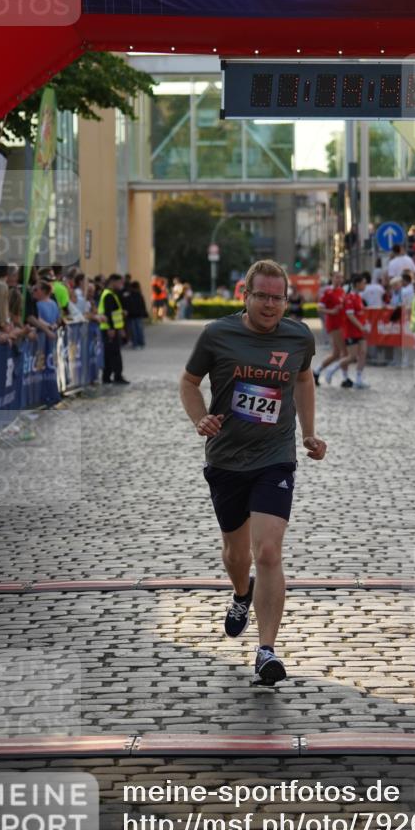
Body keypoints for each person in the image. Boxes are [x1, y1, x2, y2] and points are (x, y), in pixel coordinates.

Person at [179, 259, 326, 686]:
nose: (269, 304)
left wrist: (309, 433)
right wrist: (200, 419)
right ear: (244, 294)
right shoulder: (217, 334)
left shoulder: (299, 335)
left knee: (268, 553)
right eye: (260, 295)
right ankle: (241, 593)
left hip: (274, 455)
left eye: (277, 297)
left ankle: (266, 650)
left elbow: (303, 379)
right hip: (225, 457)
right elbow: (188, 382)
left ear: (286, 299)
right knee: (237, 554)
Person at [333, 273, 371, 389]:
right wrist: (361, 326)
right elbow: (350, 315)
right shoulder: (349, 297)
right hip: (351, 331)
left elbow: (361, 314)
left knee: (363, 352)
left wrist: (366, 323)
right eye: (364, 283)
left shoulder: (359, 297)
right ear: (357, 284)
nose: (365, 285)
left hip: (360, 331)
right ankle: (332, 369)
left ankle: (359, 379)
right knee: (352, 357)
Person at [313, 271, 347, 385]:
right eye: (337, 277)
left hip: (342, 323)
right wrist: (331, 311)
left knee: (336, 353)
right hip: (334, 324)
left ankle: (317, 371)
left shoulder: (342, 291)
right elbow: (319, 308)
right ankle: (344, 377)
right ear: (332, 278)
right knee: (344, 351)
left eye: (341, 277)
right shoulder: (328, 292)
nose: (339, 279)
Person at [98, 273, 129, 384]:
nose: (121, 285)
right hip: (109, 329)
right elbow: (109, 313)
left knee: (112, 353)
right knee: (112, 354)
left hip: (112, 328)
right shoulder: (108, 295)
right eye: (120, 282)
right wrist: (111, 328)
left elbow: (114, 312)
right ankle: (114, 376)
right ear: (113, 282)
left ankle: (110, 376)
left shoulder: (111, 294)